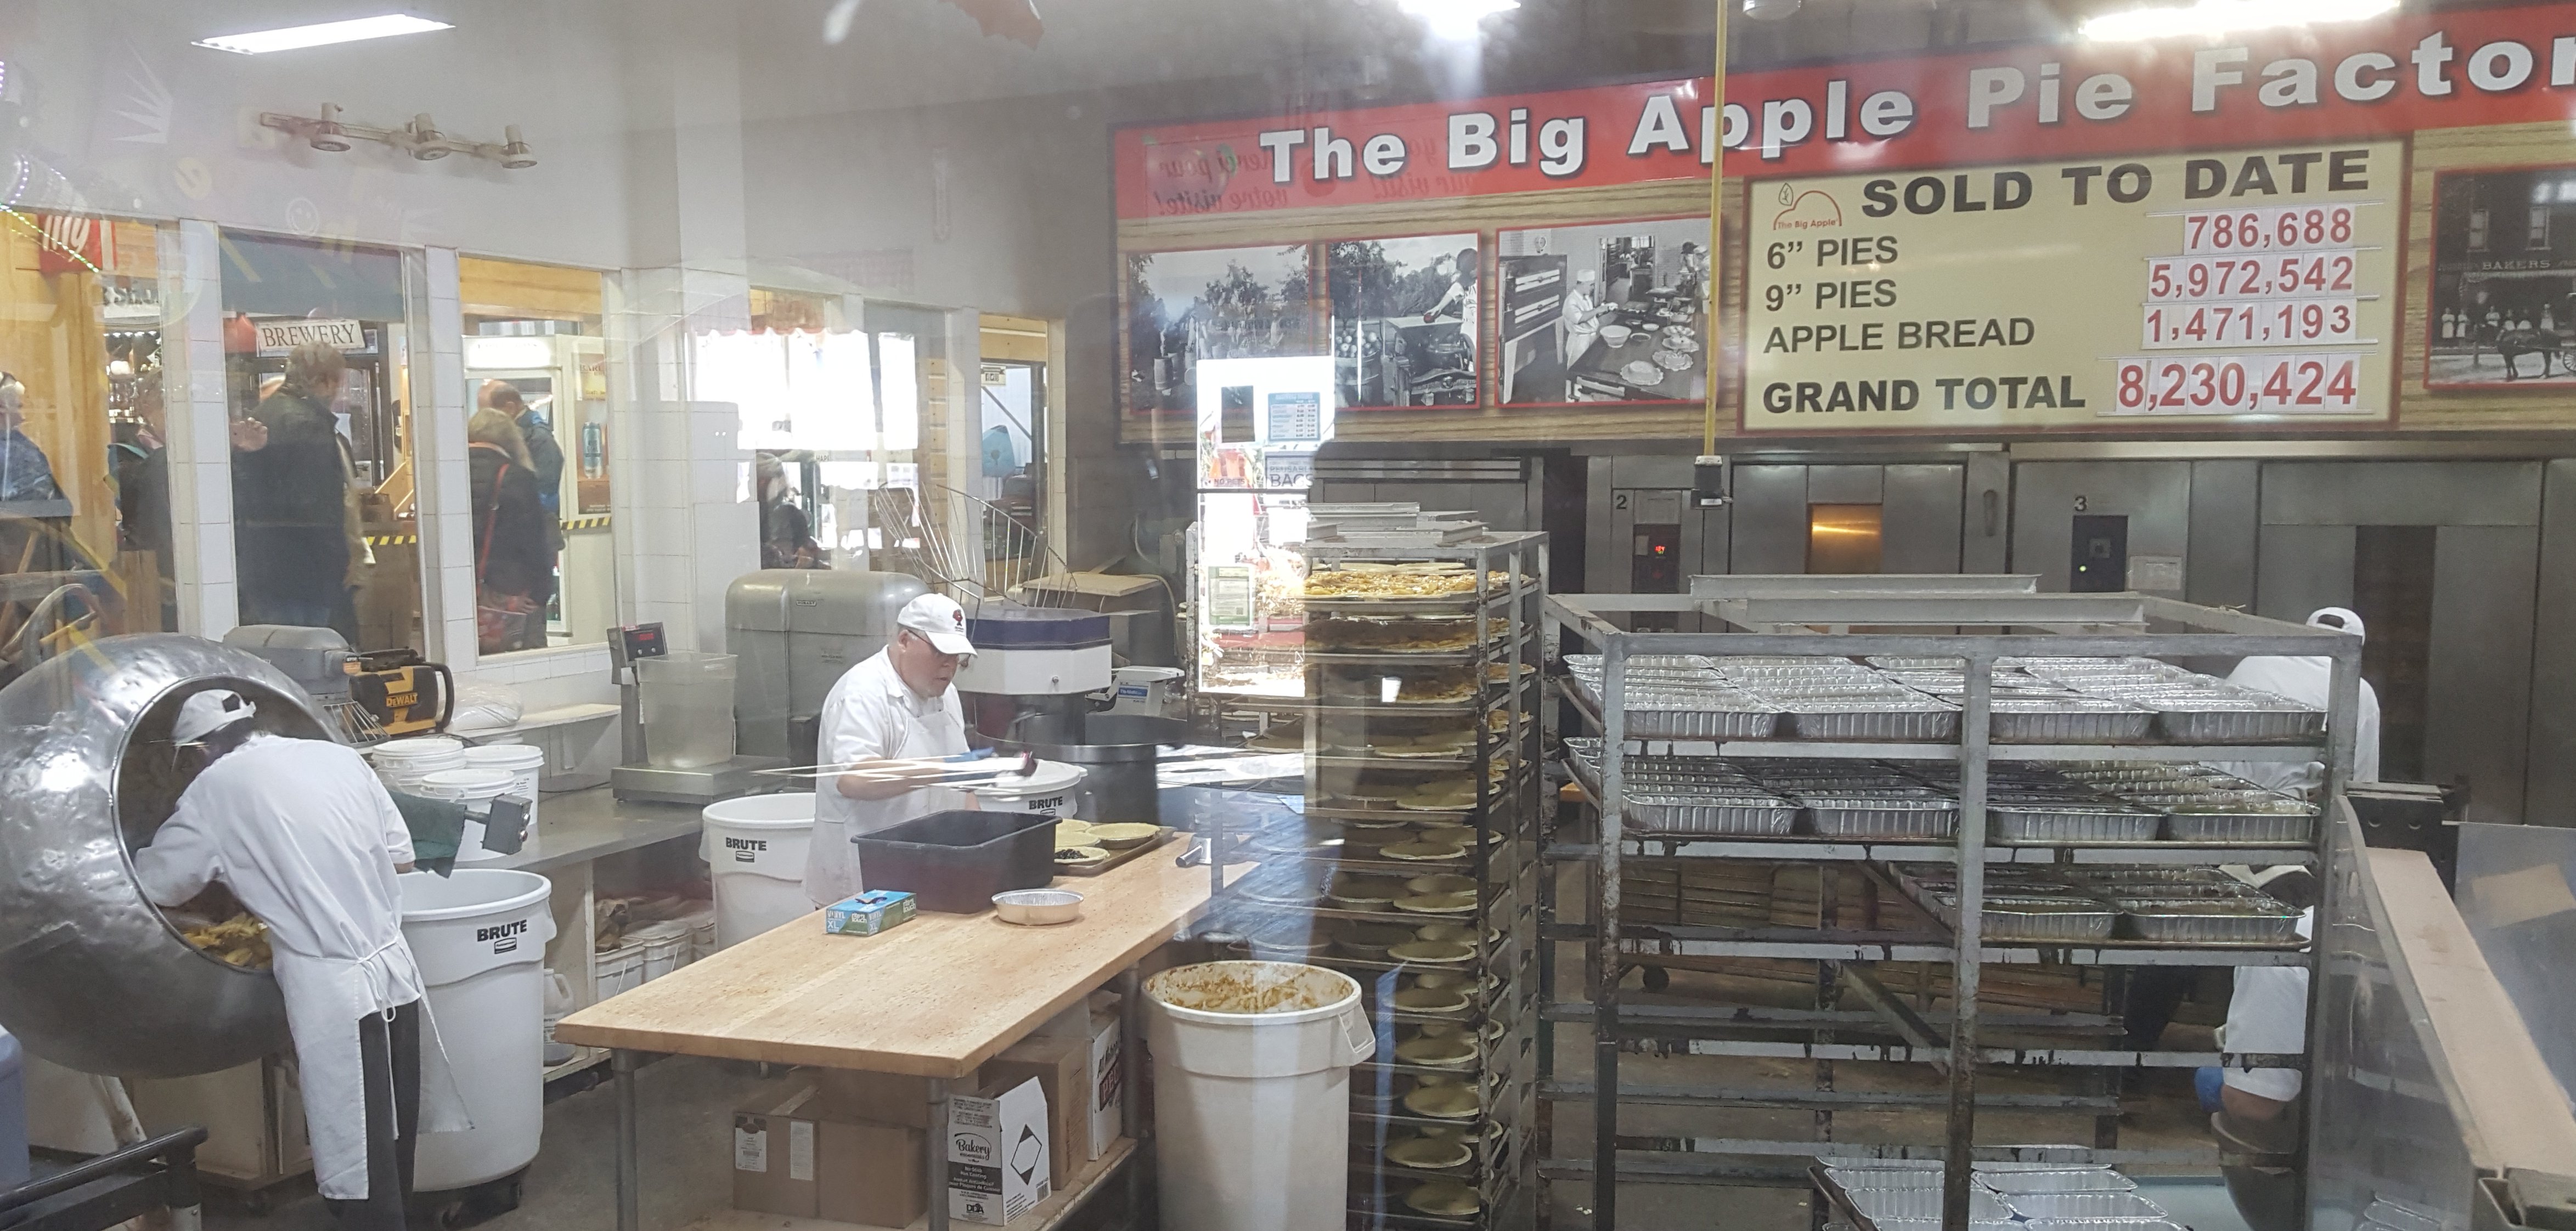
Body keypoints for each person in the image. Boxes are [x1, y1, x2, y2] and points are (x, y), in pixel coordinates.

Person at [131, 690, 465, 1231]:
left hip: (333, 987)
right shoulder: (337, 757)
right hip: (393, 972)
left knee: (358, 1155)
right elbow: (401, 858)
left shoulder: (213, 790)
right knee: (392, 1143)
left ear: (197, 751)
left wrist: (265, 881)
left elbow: (157, 887)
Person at [804, 593, 980, 906]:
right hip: (863, 885)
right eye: (940, 652)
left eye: (957, 657)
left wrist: (982, 847)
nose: (950, 666)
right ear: (904, 641)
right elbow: (854, 778)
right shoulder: (861, 694)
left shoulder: (945, 692)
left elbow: (962, 787)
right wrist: (939, 770)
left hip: (926, 870)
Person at [235, 343, 355, 631]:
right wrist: (339, 561)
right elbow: (317, 506)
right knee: (310, 647)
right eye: (338, 382)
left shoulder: (263, 414)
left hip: (263, 564)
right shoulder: (308, 424)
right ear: (325, 382)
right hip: (306, 570)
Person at [2216, 607, 2383, 791]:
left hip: (2216, 790)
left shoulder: (2253, 661)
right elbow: (2360, 780)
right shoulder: (2356, 689)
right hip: (2290, 802)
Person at [466, 409, 555, 652]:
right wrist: (541, 593)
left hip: (460, 591)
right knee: (518, 659)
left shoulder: (449, 472)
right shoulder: (517, 477)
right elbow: (534, 541)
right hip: (508, 591)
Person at [481, 381, 563, 519]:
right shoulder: (511, 436)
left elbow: (546, 493)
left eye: (490, 414)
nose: (485, 421)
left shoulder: (539, 439)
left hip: (533, 525)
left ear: (510, 408)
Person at [0, 373, 62, 504]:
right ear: (1, 409)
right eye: (19, 407)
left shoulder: (19, 445)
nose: (23, 417)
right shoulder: (17, 452)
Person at [757, 453, 824, 570]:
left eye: (766, 481)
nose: (759, 486)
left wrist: (805, 555)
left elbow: (806, 552)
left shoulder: (790, 513)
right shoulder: (747, 515)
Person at [1560, 268, 1614, 372]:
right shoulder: (1571, 301)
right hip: (1579, 341)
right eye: (1591, 285)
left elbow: (1590, 317)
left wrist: (1604, 311)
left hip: (1591, 337)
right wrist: (1598, 310)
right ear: (1583, 284)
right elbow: (1580, 319)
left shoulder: (1586, 298)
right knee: (1576, 369)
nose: (1593, 288)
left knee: (1589, 368)